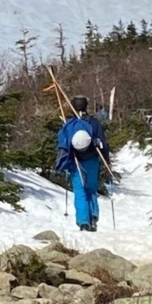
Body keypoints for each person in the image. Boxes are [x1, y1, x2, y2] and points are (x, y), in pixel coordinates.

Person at [55, 96, 108, 232]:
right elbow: (103, 144)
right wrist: (106, 160)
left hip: (76, 161)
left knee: (80, 191)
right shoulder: (93, 122)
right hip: (92, 160)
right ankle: (94, 217)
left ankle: (83, 222)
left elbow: (64, 144)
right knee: (91, 190)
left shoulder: (69, 124)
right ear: (86, 106)